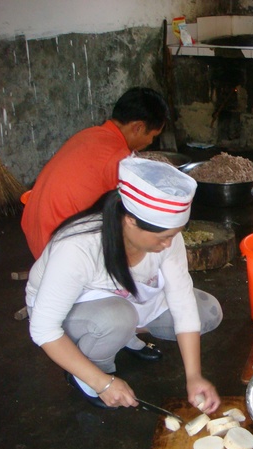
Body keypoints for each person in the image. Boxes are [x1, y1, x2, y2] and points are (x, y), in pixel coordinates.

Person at [26, 155, 222, 411]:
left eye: (174, 235)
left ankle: (124, 335)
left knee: (207, 311)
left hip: (125, 297)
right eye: (162, 238)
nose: (169, 244)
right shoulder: (78, 248)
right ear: (130, 221)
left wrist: (194, 376)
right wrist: (103, 383)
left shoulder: (166, 238)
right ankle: (90, 372)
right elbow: (43, 329)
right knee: (117, 318)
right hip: (71, 309)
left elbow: (183, 302)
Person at [21, 87, 172, 361]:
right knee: (136, 255)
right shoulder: (119, 159)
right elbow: (133, 219)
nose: (150, 142)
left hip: (37, 229)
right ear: (138, 127)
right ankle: (99, 350)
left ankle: (124, 333)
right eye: (152, 136)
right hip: (58, 249)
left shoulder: (89, 134)